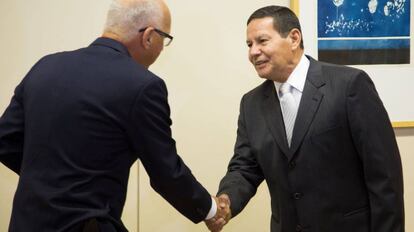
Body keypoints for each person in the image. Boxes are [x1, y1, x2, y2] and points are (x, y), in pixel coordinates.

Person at [0, 0, 228, 231]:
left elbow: (5, 141)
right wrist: (210, 209)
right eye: (164, 39)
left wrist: (52, 182)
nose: (161, 49)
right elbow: (165, 171)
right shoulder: (142, 85)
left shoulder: (45, 66)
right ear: (149, 36)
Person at [213, 5, 404, 232]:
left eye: (262, 41)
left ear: (294, 38)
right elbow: (244, 168)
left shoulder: (350, 86)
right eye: (249, 44)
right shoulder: (251, 104)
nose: (253, 52)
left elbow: (384, 178)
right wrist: (225, 202)